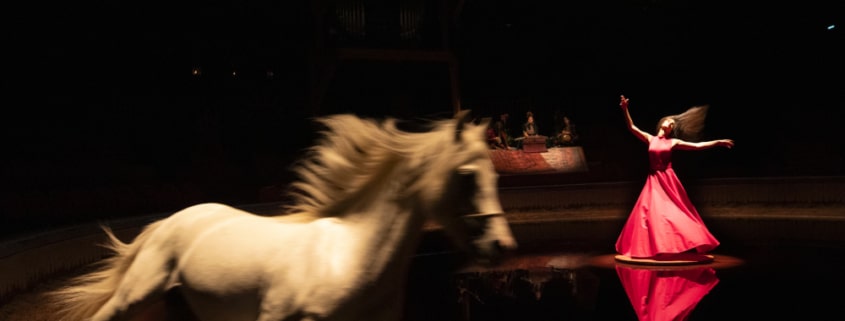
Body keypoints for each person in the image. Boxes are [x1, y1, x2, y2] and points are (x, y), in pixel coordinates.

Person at [615, 94, 734, 261]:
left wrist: (717, 142)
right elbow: (632, 127)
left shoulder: (673, 142)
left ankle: (687, 240)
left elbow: (697, 146)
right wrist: (625, 109)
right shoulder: (651, 139)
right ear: (662, 122)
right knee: (648, 211)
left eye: (672, 124)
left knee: (675, 211)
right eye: (669, 121)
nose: (670, 123)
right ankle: (650, 246)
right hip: (654, 179)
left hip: (668, 179)